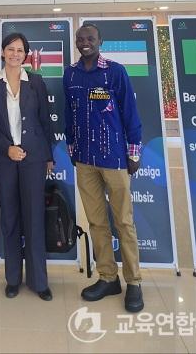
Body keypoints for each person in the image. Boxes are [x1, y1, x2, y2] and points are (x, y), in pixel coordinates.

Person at [63, 21, 144, 313]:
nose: (85, 42)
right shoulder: (70, 73)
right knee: (97, 222)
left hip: (115, 159)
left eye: (90, 38)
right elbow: (68, 115)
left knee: (123, 222)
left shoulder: (115, 71)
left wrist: (134, 153)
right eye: (80, 38)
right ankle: (108, 277)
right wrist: (72, 148)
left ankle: (134, 282)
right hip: (85, 161)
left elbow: (131, 114)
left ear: (100, 41)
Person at [0, 32, 54, 301]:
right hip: (4, 160)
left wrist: (48, 156)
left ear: (26, 55)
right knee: (10, 218)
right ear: (3, 52)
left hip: (34, 159)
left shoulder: (35, 82)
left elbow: (45, 122)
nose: (15, 54)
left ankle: (39, 281)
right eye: (10, 49)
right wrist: (7, 148)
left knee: (34, 218)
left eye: (20, 50)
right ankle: (13, 278)